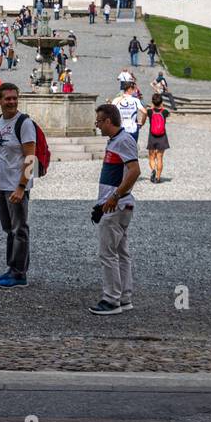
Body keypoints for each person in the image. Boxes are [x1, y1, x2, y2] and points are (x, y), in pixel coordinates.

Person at [0, 82, 36, 288]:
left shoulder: (24, 123)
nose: (11, 101)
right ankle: (12, 268)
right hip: (0, 184)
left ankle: (19, 273)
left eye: (14, 98)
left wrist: (22, 186)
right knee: (9, 228)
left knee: (19, 229)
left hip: (16, 185)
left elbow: (31, 157)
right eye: (7, 98)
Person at [90, 103, 140, 315]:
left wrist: (114, 197)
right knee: (120, 252)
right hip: (115, 204)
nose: (97, 125)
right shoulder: (116, 141)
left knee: (107, 253)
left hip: (117, 205)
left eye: (99, 121)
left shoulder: (124, 140)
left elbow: (135, 170)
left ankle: (111, 299)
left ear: (108, 121)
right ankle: (124, 297)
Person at [146, 93, 170, 183]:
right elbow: (168, 114)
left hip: (152, 136)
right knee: (160, 157)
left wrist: (152, 106)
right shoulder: (165, 112)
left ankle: (153, 170)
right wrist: (162, 106)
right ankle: (158, 178)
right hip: (162, 136)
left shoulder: (150, 112)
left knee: (152, 157)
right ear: (161, 102)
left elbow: (146, 112)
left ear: (152, 102)